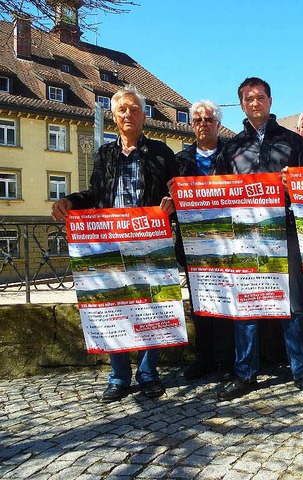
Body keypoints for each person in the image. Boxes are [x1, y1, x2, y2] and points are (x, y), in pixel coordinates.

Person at [51, 86, 177, 403]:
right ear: (114, 116)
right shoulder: (105, 155)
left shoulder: (162, 153)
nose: (128, 115)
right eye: (122, 110)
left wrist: (172, 203)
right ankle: (119, 376)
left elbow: (174, 194)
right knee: (113, 307)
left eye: (134, 109)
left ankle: (148, 374)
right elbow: (94, 195)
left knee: (152, 308)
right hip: (111, 243)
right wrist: (69, 201)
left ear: (143, 115)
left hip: (149, 244)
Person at [214, 77, 303, 401]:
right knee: (245, 304)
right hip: (246, 235)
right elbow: (217, 191)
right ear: (242, 105)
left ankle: (302, 370)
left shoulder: (292, 141)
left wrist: (297, 185)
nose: (254, 103)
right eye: (248, 98)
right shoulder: (231, 147)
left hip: (286, 232)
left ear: (271, 101)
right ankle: (245, 372)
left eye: (260, 97)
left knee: (294, 304)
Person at [174, 99, 234, 381]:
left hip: (228, 240)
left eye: (208, 119)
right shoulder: (181, 160)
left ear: (218, 124)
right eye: (197, 120)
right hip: (193, 242)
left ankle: (225, 359)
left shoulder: (232, 155)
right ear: (191, 126)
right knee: (199, 303)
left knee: (226, 300)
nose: (203, 124)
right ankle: (204, 357)